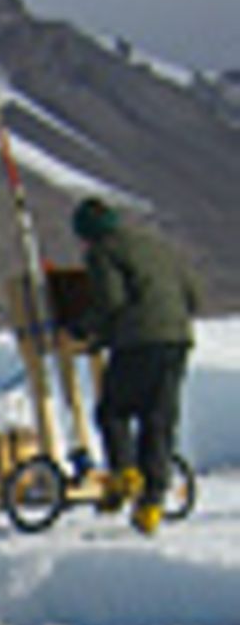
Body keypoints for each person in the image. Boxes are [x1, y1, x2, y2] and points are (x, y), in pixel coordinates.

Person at [71, 197, 200, 535]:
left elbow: (112, 301)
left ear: (89, 234)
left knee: (113, 410)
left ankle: (125, 474)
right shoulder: (157, 246)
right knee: (158, 419)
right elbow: (194, 295)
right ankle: (152, 505)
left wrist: (85, 328)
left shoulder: (102, 252)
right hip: (177, 340)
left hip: (140, 341)